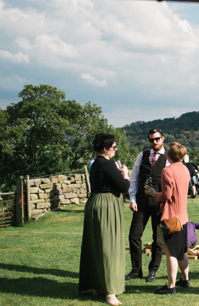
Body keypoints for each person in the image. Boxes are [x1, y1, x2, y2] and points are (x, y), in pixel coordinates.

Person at [79, 134, 130, 306]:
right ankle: (110, 292)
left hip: (95, 203)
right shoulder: (106, 163)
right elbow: (123, 187)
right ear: (105, 148)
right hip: (106, 206)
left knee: (97, 246)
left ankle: (97, 287)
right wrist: (126, 175)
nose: (116, 150)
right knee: (110, 248)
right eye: (114, 147)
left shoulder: (95, 164)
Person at [145, 142, 191, 294]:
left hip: (169, 217)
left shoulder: (167, 171)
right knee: (181, 250)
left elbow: (167, 195)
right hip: (183, 216)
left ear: (168, 156)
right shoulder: (186, 169)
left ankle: (171, 286)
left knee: (170, 251)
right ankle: (185, 280)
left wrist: (153, 193)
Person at [126, 129, 168, 283]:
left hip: (160, 204)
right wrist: (132, 198)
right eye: (151, 140)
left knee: (158, 238)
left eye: (157, 139)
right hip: (141, 202)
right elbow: (134, 178)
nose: (154, 142)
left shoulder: (169, 157)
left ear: (162, 139)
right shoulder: (142, 155)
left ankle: (153, 270)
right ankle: (136, 270)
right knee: (134, 236)